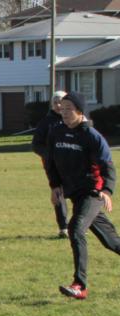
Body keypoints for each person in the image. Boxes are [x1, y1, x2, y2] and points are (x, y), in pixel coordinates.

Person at [45, 92, 120, 300]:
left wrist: (107, 191)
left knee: (75, 229)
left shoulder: (91, 136)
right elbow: (51, 162)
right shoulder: (56, 132)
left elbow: (108, 166)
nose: (64, 112)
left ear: (80, 111)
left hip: (93, 192)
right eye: (62, 108)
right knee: (111, 242)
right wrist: (55, 186)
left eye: (69, 108)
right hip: (75, 194)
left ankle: (80, 285)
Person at [32, 90, 68, 238]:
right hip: (53, 166)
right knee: (58, 193)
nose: (58, 105)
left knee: (79, 193)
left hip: (74, 164)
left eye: (61, 102)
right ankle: (63, 227)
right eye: (55, 102)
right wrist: (49, 155)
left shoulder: (73, 119)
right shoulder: (46, 123)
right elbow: (36, 145)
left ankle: (80, 225)